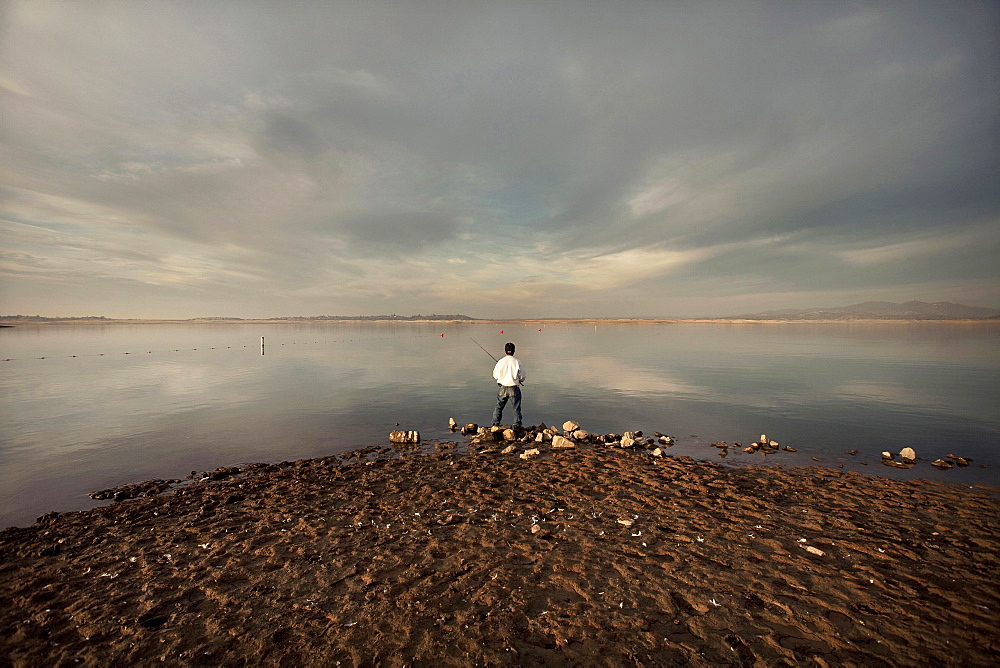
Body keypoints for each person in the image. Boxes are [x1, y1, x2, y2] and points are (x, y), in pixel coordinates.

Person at [491, 342, 525, 428]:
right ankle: (517, 425)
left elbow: (495, 375)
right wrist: (519, 380)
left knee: (499, 407)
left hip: (502, 387)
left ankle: (495, 423)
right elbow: (522, 376)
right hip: (514, 388)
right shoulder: (518, 362)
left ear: (505, 351)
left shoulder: (500, 362)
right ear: (514, 351)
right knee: (516, 408)